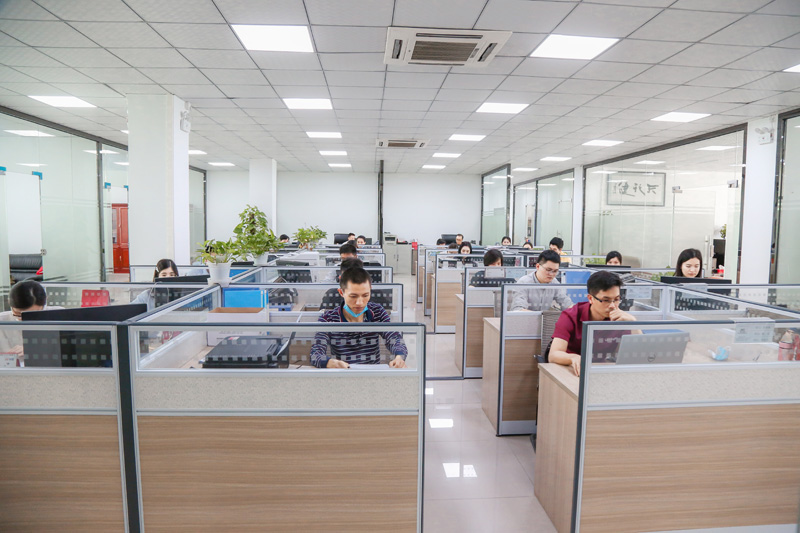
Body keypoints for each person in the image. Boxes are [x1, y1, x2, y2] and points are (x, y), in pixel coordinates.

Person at [311, 267, 408, 369]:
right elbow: (315, 354)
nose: (360, 303)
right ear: (341, 292)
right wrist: (328, 362)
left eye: (365, 295)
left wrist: (399, 357)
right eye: (353, 296)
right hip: (344, 373)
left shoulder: (377, 312)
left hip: (373, 374)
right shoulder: (328, 318)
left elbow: (395, 338)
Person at [549, 271, 637, 376]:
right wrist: (572, 357)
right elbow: (553, 355)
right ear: (591, 299)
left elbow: (637, 355)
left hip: (600, 371)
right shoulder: (571, 316)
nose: (613, 306)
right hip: (571, 370)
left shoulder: (620, 319)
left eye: (616, 299)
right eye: (606, 300)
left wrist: (633, 324)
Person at [0, 280, 58, 358]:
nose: (23, 319)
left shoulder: (60, 316)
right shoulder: (2, 321)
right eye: (18, 314)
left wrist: (33, 350)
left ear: (44, 303)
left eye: (31, 315)